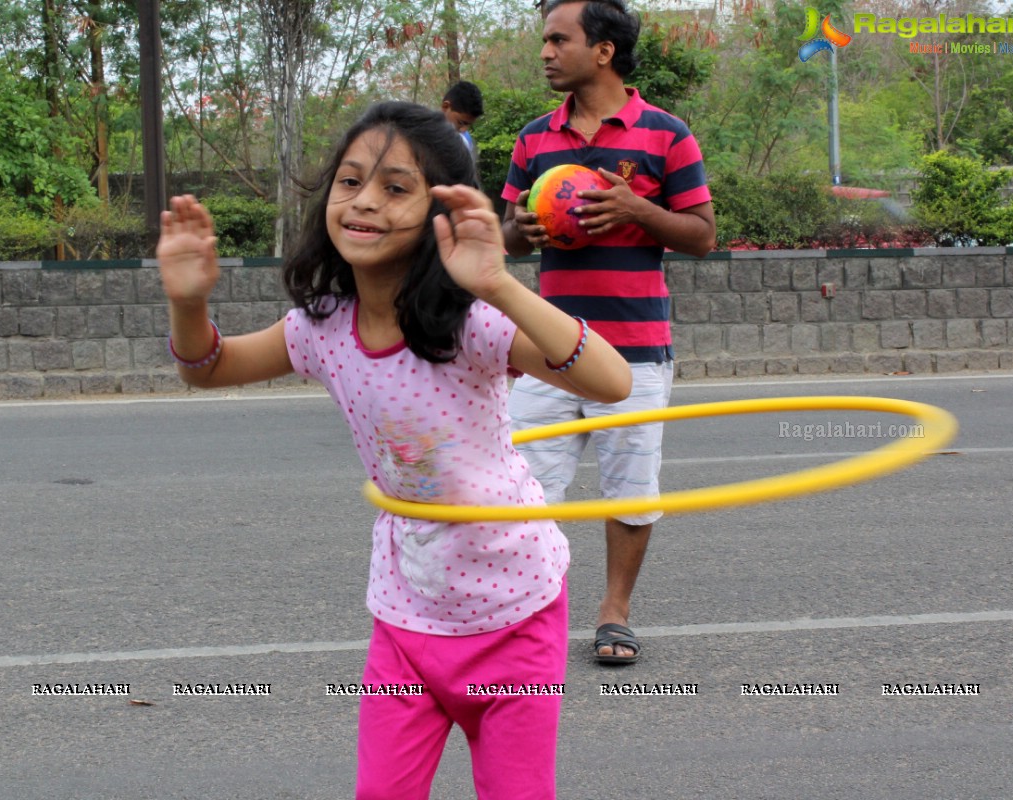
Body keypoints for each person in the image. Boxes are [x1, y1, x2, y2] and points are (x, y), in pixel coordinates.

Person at [158, 101, 631, 799]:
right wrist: (189, 304)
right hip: (409, 609)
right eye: (350, 182)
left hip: (516, 611)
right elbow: (207, 369)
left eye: (396, 188)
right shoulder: (321, 327)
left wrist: (497, 281)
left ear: (441, 212)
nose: (365, 203)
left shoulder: (471, 325)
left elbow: (611, 380)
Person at [501, 0, 716, 665]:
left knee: (631, 488)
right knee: (524, 488)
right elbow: (500, 237)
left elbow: (703, 236)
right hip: (548, 353)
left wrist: (635, 208)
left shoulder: (665, 134)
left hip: (635, 350)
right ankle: (528, 616)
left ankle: (614, 613)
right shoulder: (534, 138)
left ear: (602, 50)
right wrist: (522, 231)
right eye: (544, 40)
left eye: (556, 39)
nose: (544, 51)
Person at [441, 80, 484, 161]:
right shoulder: (420, 135)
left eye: (468, 125)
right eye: (460, 122)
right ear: (445, 107)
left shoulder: (465, 142)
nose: (464, 130)